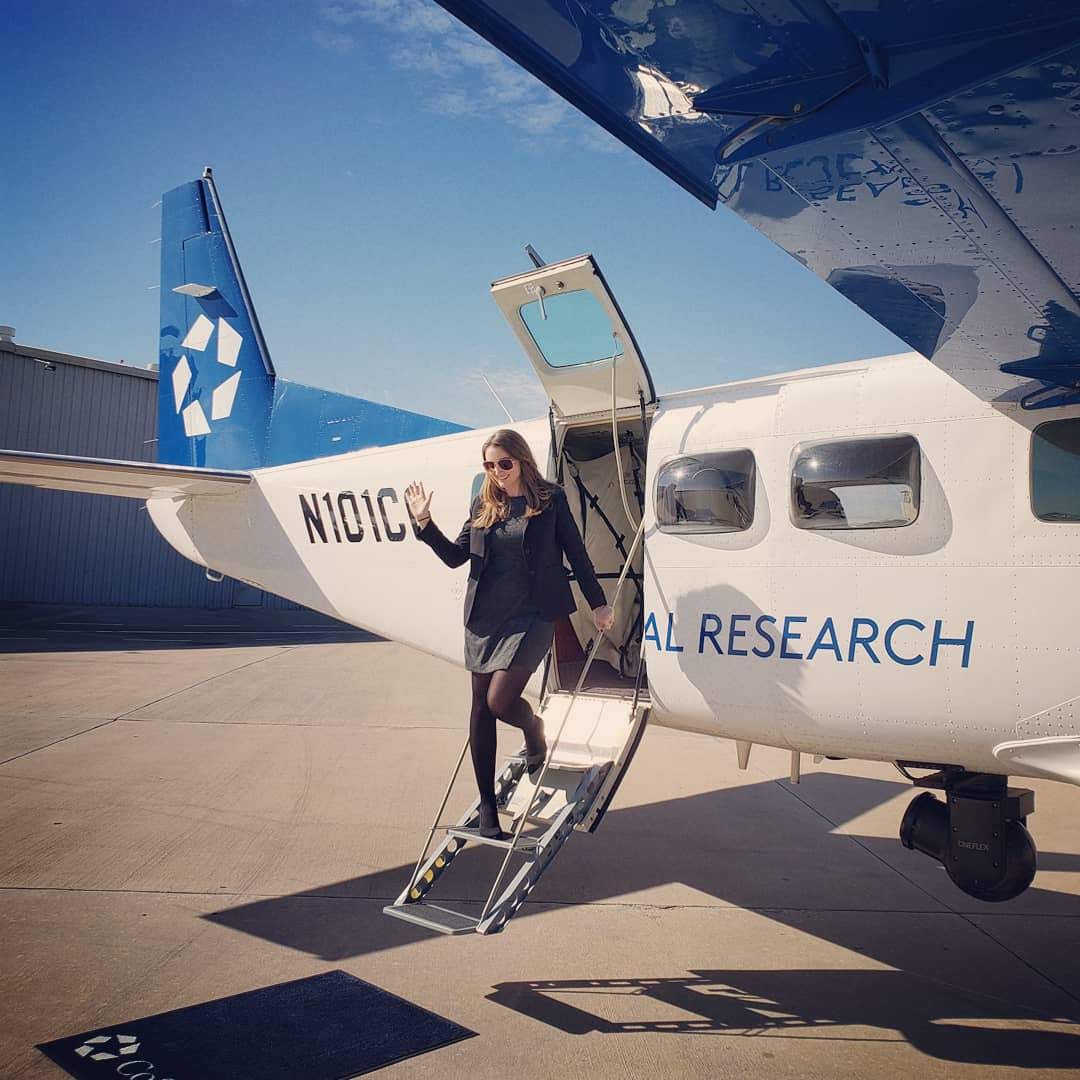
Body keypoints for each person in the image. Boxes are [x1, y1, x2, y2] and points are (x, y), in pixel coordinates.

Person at [406, 428, 614, 839]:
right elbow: (454, 557)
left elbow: (576, 553)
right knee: (480, 709)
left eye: (504, 463)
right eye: (489, 465)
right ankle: (487, 808)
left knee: (500, 701)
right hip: (486, 619)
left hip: (534, 615)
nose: (497, 472)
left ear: (522, 460)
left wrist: (598, 601)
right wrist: (423, 522)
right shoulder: (484, 504)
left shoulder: (549, 500)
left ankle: (533, 728)